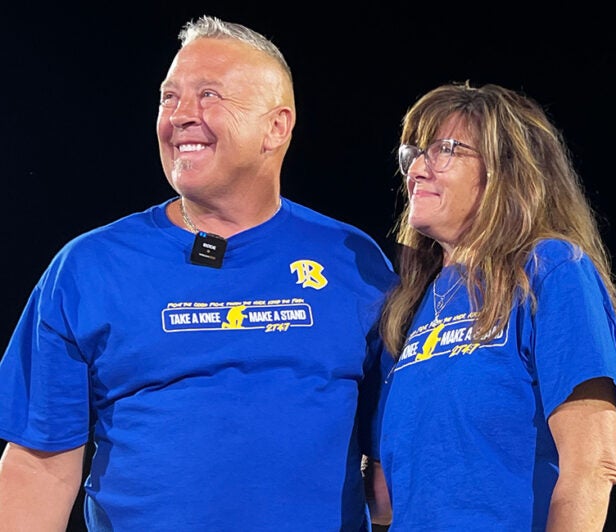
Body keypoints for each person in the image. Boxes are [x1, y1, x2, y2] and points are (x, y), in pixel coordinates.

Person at [0, 15, 395, 531]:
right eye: (169, 98)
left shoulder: (354, 261)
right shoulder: (88, 267)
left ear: (276, 126)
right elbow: (38, 466)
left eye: (209, 95)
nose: (180, 116)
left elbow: (395, 462)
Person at [373, 81, 616, 531]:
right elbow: (390, 495)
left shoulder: (551, 269)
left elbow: (593, 465)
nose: (416, 169)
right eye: (414, 153)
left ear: (507, 169)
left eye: (445, 149)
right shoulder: (409, 305)